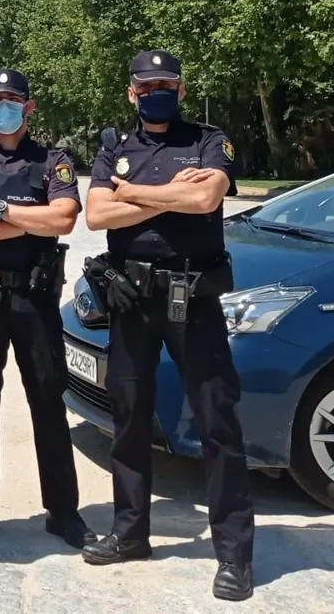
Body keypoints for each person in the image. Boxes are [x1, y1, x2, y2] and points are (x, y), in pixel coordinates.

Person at [82, 50, 254, 601]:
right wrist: (167, 197)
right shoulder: (115, 145)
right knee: (129, 421)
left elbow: (206, 197)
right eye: (147, 84)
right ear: (131, 92)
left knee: (217, 425)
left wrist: (129, 192)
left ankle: (234, 555)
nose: (157, 91)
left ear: (181, 91)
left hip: (194, 302)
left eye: (167, 84)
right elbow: (97, 215)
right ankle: (131, 534)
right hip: (131, 300)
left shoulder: (208, 139)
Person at [0, 69, 95, 548]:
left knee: (47, 402)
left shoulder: (53, 158)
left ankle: (64, 512)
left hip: (34, 298)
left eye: (14, 100)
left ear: (29, 107)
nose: (4, 107)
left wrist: (0, 212)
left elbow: (65, 219)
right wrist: (32, 222)